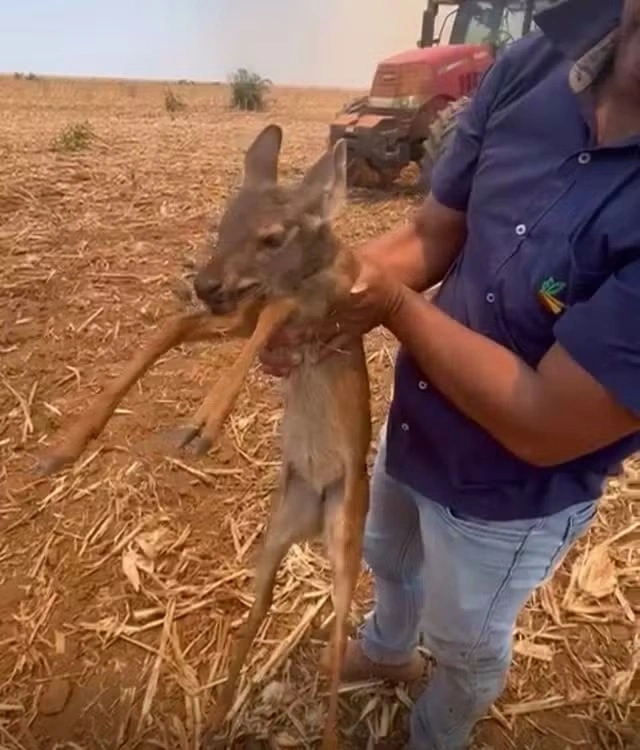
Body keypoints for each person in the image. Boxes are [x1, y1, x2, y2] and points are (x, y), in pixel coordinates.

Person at [260, 0, 640, 747]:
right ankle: (389, 649)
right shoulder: (531, 65)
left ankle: (439, 729)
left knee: (464, 638)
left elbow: (542, 422)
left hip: (507, 494)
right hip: (418, 420)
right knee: (386, 552)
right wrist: (323, 307)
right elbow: (433, 232)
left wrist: (393, 305)